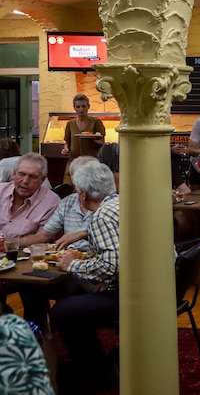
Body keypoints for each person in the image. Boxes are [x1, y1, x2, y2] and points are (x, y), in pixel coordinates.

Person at [48, 161, 120, 391]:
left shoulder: (102, 217)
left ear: (83, 193)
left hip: (136, 296)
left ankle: (98, 371)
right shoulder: (123, 204)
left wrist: (72, 265)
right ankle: (98, 365)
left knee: (62, 311)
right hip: (161, 287)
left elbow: (111, 265)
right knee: (77, 298)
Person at [19, 156, 97, 251]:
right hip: (67, 258)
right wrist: (11, 243)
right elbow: (44, 236)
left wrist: (83, 234)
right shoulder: (67, 202)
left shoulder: (109, 203)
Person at [0, 153, 60, 238]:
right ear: (14, 174)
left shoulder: (51, 202)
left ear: (42, 180)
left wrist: (8, 245)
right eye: (22, 174)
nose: (25, 181)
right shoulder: (1, 191)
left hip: (23, 250)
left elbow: (42, 238)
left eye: (33, 176)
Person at [60, 94, 106, 184]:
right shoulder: (70, 124)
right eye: (78, 107)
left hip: (91, 163)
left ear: (88, 107)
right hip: (73, 162)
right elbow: (67, 142)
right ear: (74, 108)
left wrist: (91, 139)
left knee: (89, 187)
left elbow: (102, 141)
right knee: (69, 186)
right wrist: (66, 149)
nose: (81, 109)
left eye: (83, 106)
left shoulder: (96, 122)